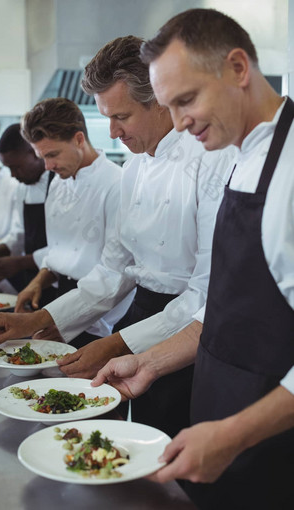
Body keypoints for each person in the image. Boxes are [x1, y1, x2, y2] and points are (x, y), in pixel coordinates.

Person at [0, 36, 234, 438]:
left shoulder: (213, 160)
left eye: (121, 117)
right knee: (134, 436)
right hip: (144, 314)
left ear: (160, 99)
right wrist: (41, 319)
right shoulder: (135, 168)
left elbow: (205, 293)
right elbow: (115, 269)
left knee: (172, 444)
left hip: (191, 334)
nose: (112, 132)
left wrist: (120, 342)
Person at [91, 9, 294, 510]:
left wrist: (232, 434)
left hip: (265, 442)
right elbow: (221, 305)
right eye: (169, 105)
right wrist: (150, 362)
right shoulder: (240, 154)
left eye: (186, 100)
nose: (179, 123)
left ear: (238, 68)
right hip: (217, 426)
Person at [15, 97, 134, 348]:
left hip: (103, 320)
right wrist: (37, 281)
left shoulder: (117, 185)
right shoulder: (58, 182)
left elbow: (115, 277)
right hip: (63, 303)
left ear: (79, 139)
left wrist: (68, 323)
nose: (48, 166)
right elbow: (60, 253)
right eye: (41, 157)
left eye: (53, 154)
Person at [0, 123, 56, 303]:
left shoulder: (59, 183)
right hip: (32, 282)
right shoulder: (23, 188)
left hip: (57, 281)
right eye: (8, 168)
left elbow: (64, 247)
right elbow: (20, 233)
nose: (12, 175)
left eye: (16, 167)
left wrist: (20, 262)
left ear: (33, 152)